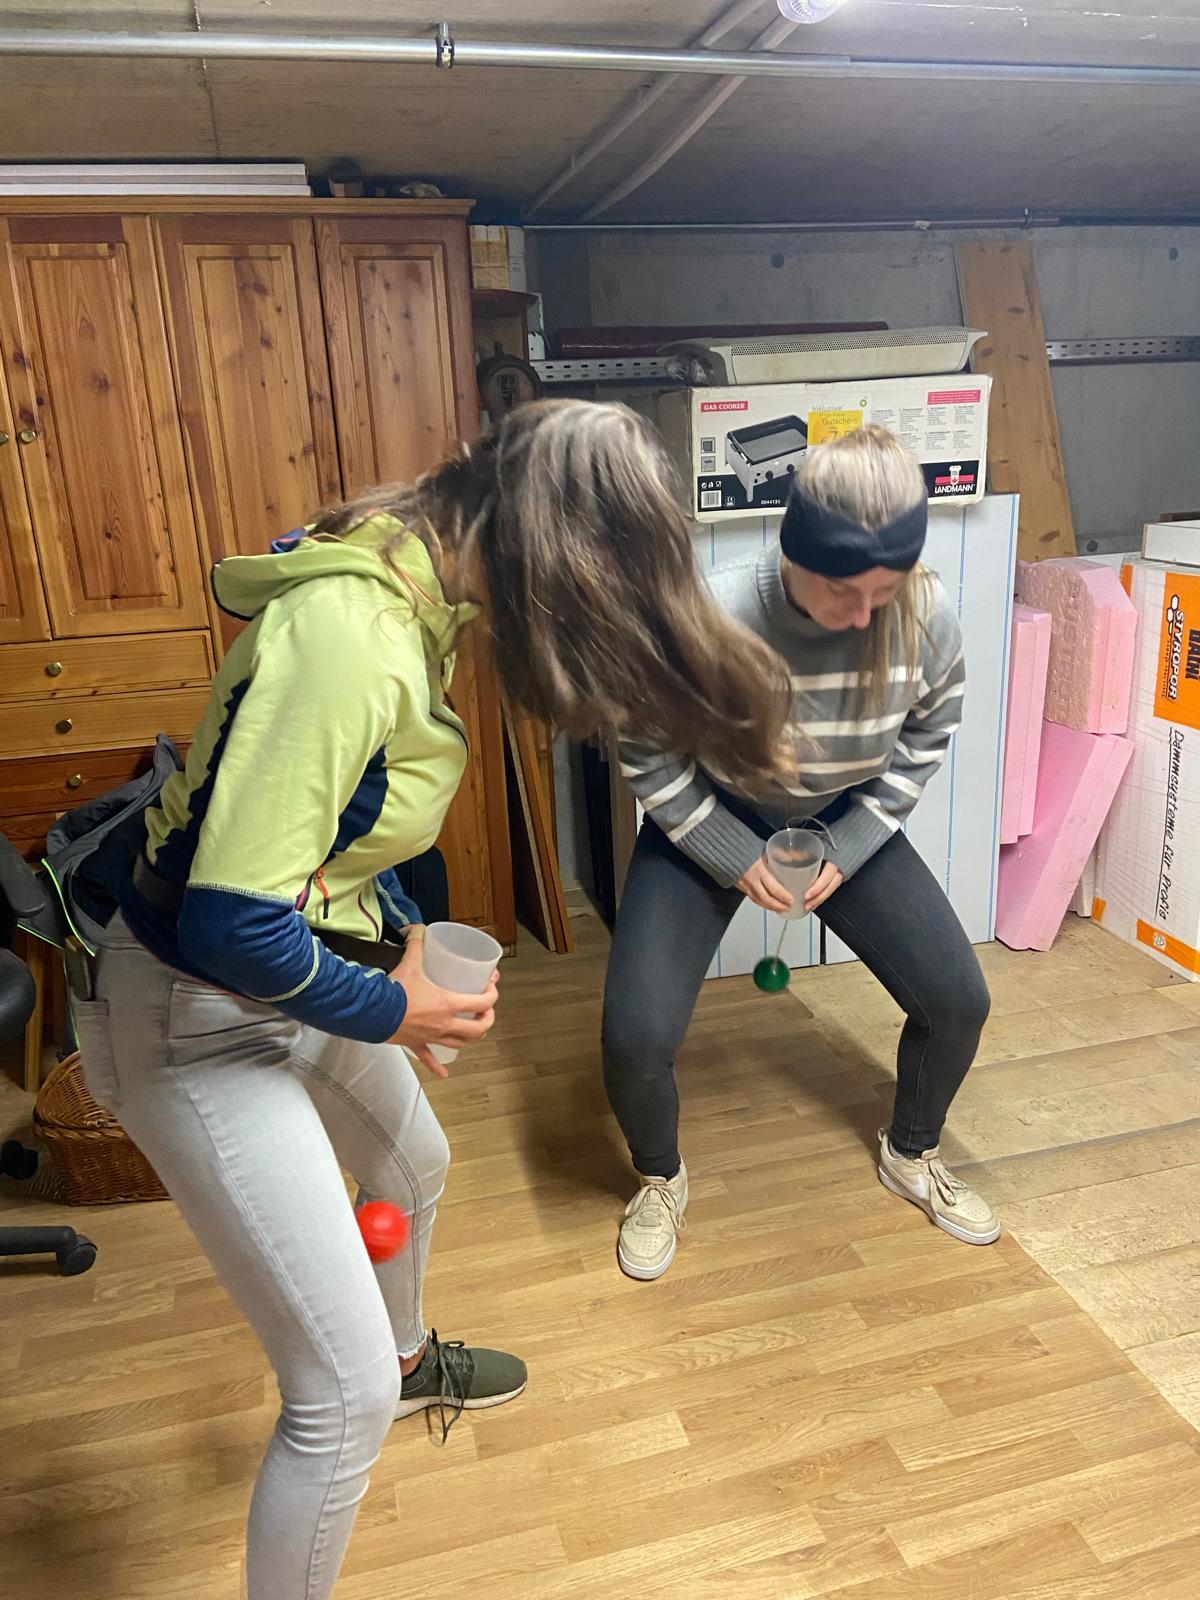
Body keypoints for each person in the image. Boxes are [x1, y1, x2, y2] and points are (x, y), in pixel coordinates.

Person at [68, 400, 793, 1600]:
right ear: (538, 557)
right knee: (333, 1397)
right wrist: (392, 1009)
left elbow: (338, 823)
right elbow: (227, 920)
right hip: (191, 1013)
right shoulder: (351, 635)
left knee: (411, 1162)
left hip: (283, 966)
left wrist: (401, 934)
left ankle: (409, 1366)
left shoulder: (422, 580)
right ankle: (378, 1384)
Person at [606, 424, 998, 1283]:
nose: (863, 616)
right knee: (634, 1038)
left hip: (840, 820)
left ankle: (911, 1152)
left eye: (883, 593)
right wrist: (725, 847)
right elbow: (643, 743)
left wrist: (852, 842)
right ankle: (660, 1180)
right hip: (712, 816)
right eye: (843, 591)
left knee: (959, 1002)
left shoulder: (923, 614)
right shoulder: (709, 615)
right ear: (794, 552)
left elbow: (930, 731)